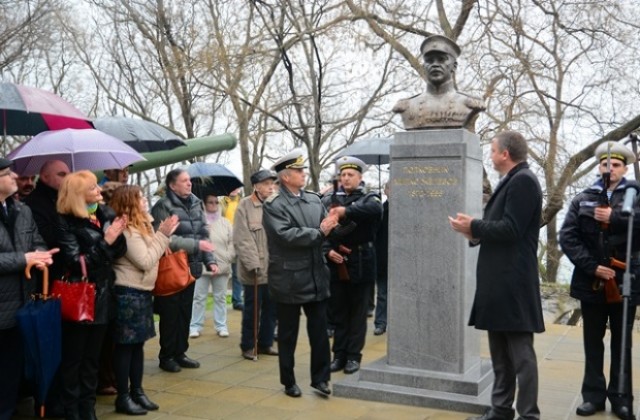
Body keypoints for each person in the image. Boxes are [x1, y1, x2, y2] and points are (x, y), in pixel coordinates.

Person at [448, 130, 544, 420]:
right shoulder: (511, 181)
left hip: (513, 283)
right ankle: (501, 410)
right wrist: (474, 232)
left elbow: (512, 229)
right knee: (500, 355)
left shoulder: (524, 181)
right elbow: (499, 228)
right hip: (498, 282)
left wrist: (475, 226)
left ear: (505, 153)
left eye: (492, 151)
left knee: (521, 356)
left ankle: (528, 415)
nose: (490, 156)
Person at [559, 141, 640, 420]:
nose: (610, 168)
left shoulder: (636, 198)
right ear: (599, 167)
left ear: (625, 168)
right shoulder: (583, 198)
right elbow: (567, 237)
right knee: (592, 342)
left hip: (626, 283)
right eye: (605, 164)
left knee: (622, 344)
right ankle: (592, 397)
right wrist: (593, 267)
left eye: (616, 164)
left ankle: (621, 399)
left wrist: (615, 217)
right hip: (591, 282)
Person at [262, 149, 338, 398]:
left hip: (316, 276)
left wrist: (340, 224)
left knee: (319, 334)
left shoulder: (315, 200)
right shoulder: (274, 205)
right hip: (289, 280)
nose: (303, 174)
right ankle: (289, 381)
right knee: (287, 335)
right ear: (285, 177)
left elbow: (328, 229)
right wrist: (319, 233)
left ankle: (321, 379)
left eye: (303, 170)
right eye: (298, 171)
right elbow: (285, 236)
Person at [56, 170, 128, 420]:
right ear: (78, 195)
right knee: (74, 360)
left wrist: (116, 233)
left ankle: (88, 410)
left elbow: (119, 251)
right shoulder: (65, 221)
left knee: (92, 360)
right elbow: (77, 263)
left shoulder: (101, 214)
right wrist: (106, 242)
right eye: (93, 188)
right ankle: (71, 410)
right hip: (80, 297)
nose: (99, 190)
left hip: (103, 297)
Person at [110, 185, 179, 415]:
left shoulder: (142, 226)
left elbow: (153, 250)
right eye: (139, 198)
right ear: (129, 202)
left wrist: (156, 231)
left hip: (142, 292)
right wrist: (163, 235)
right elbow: (146, 260)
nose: (145, 200)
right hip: (128, 292)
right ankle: (123, 396)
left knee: (137, 346)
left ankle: (137, 391)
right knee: (125, 347)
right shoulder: (127, 231)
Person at [0, 157, 58, 420]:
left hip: (21, 307)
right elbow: (24, 256)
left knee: (12, 370)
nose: (15, 177)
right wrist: (24, 259)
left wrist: (42, 255)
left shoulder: (22, 210)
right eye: (7, 173)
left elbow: (38, 242)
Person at [150, 168, 218, 373]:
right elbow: (163, 237)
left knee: (184, 313)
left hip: (192, 266)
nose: (189, 184)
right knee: (170, 314)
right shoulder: (163, 205)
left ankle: (180, 352)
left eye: (189, 180)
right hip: (171, 267)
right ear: (172, 185)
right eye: (184, 181)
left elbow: (203, 234)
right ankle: (167, 356)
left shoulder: (197, 203)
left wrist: (210, 260)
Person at [322, 156, 382, 375]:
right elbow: (322, 230)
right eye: (343, 175)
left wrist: (345, 212)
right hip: (336, 263)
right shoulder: (330, 200)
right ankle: (338, 355)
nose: (346, 178)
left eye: (351, 175)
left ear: (360, 177)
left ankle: (353, 357)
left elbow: (374, 212)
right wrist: (327, 250)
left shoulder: (370, 198)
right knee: (339, 313)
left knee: (357, 314)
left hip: (361, 262)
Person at [392, 34, 485, 131]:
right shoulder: (407, 106)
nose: (435, 64)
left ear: (454, 66)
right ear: (424, 67)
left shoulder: (469, 104)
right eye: (429, 60)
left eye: (441, 59)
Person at [233, 169, 278, 360]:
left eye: (272, 184)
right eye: (267, 184)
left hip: (274, 268)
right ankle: (248, 345)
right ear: (256, 187)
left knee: (271, 309)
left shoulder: (275, 204)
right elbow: (242, 239)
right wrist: (253, 264)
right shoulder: (244, 206)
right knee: (252, 310)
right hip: (255, 270)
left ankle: (266, 343)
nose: (271, 187)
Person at [190, 193, 234, 339]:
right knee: (198, 297)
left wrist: (228, 257)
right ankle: (195, 326)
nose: (214, 205)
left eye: (216, 202)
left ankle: (221, 326)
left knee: (220, 297)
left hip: (222, 266)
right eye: (210, 202)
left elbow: (233, 242)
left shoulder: (226, 223)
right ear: (204, 204)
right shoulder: (198, 222)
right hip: (202, 266)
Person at [221, 187, 244, 311]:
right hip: (223, 243)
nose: (234, 190)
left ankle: (237, 300)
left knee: (237, 273)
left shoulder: (243, 202)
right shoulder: (220, 203)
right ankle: (220, 302)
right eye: (232, 187)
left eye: (236, 187)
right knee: (222, 273)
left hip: (238, 242)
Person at [374, 182, 390, 336]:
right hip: (383, 258)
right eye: (390, 188)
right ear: (386, 191)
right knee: (382, 293)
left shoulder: (407, 211)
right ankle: (380, 322)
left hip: (402, 260)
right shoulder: (380, 211)